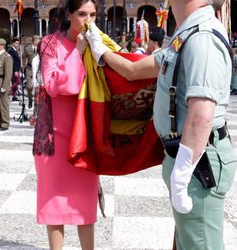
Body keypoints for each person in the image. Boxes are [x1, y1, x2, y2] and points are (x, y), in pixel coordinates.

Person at [85, 0, 237, 249]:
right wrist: (101, 51)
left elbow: (201, 114)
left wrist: (182, 173)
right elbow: (134, 70)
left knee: (201, 243)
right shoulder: (187, 33)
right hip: (191, 158)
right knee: (189, 241)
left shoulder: (202, 37)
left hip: (198, 163)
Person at [34, 0, 99, 249]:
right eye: (82, 14)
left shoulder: (97, 45)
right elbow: (51, 86)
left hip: (85, 136)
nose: (88, 20)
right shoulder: (50, 43)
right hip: (53, 137)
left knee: (85, 206)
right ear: (70, 14)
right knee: (54, 204)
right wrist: (77, 53)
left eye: (92, 14)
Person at [22, 35, 41, 109]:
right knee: (29, 86)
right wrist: (23, 65)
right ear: (35, 41)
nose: (39, 42)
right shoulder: (27, 49)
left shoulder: (41, 48)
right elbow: (23, 57)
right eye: (38, 40)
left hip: (38, 70)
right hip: (29, 69)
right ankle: (30, 99)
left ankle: (37, 101)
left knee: (37, 86)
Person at [8, 37, 21, 102]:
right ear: (13, 43)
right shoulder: (11, 51)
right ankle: (9, 91)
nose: (17, 44)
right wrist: (15, 70)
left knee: (15, 82)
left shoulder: (15, 50)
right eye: (16, 43)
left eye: (18, 43)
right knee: (18, 81)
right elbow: (12, 61)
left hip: (17, 68)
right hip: (14, 69)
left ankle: (14, 96)